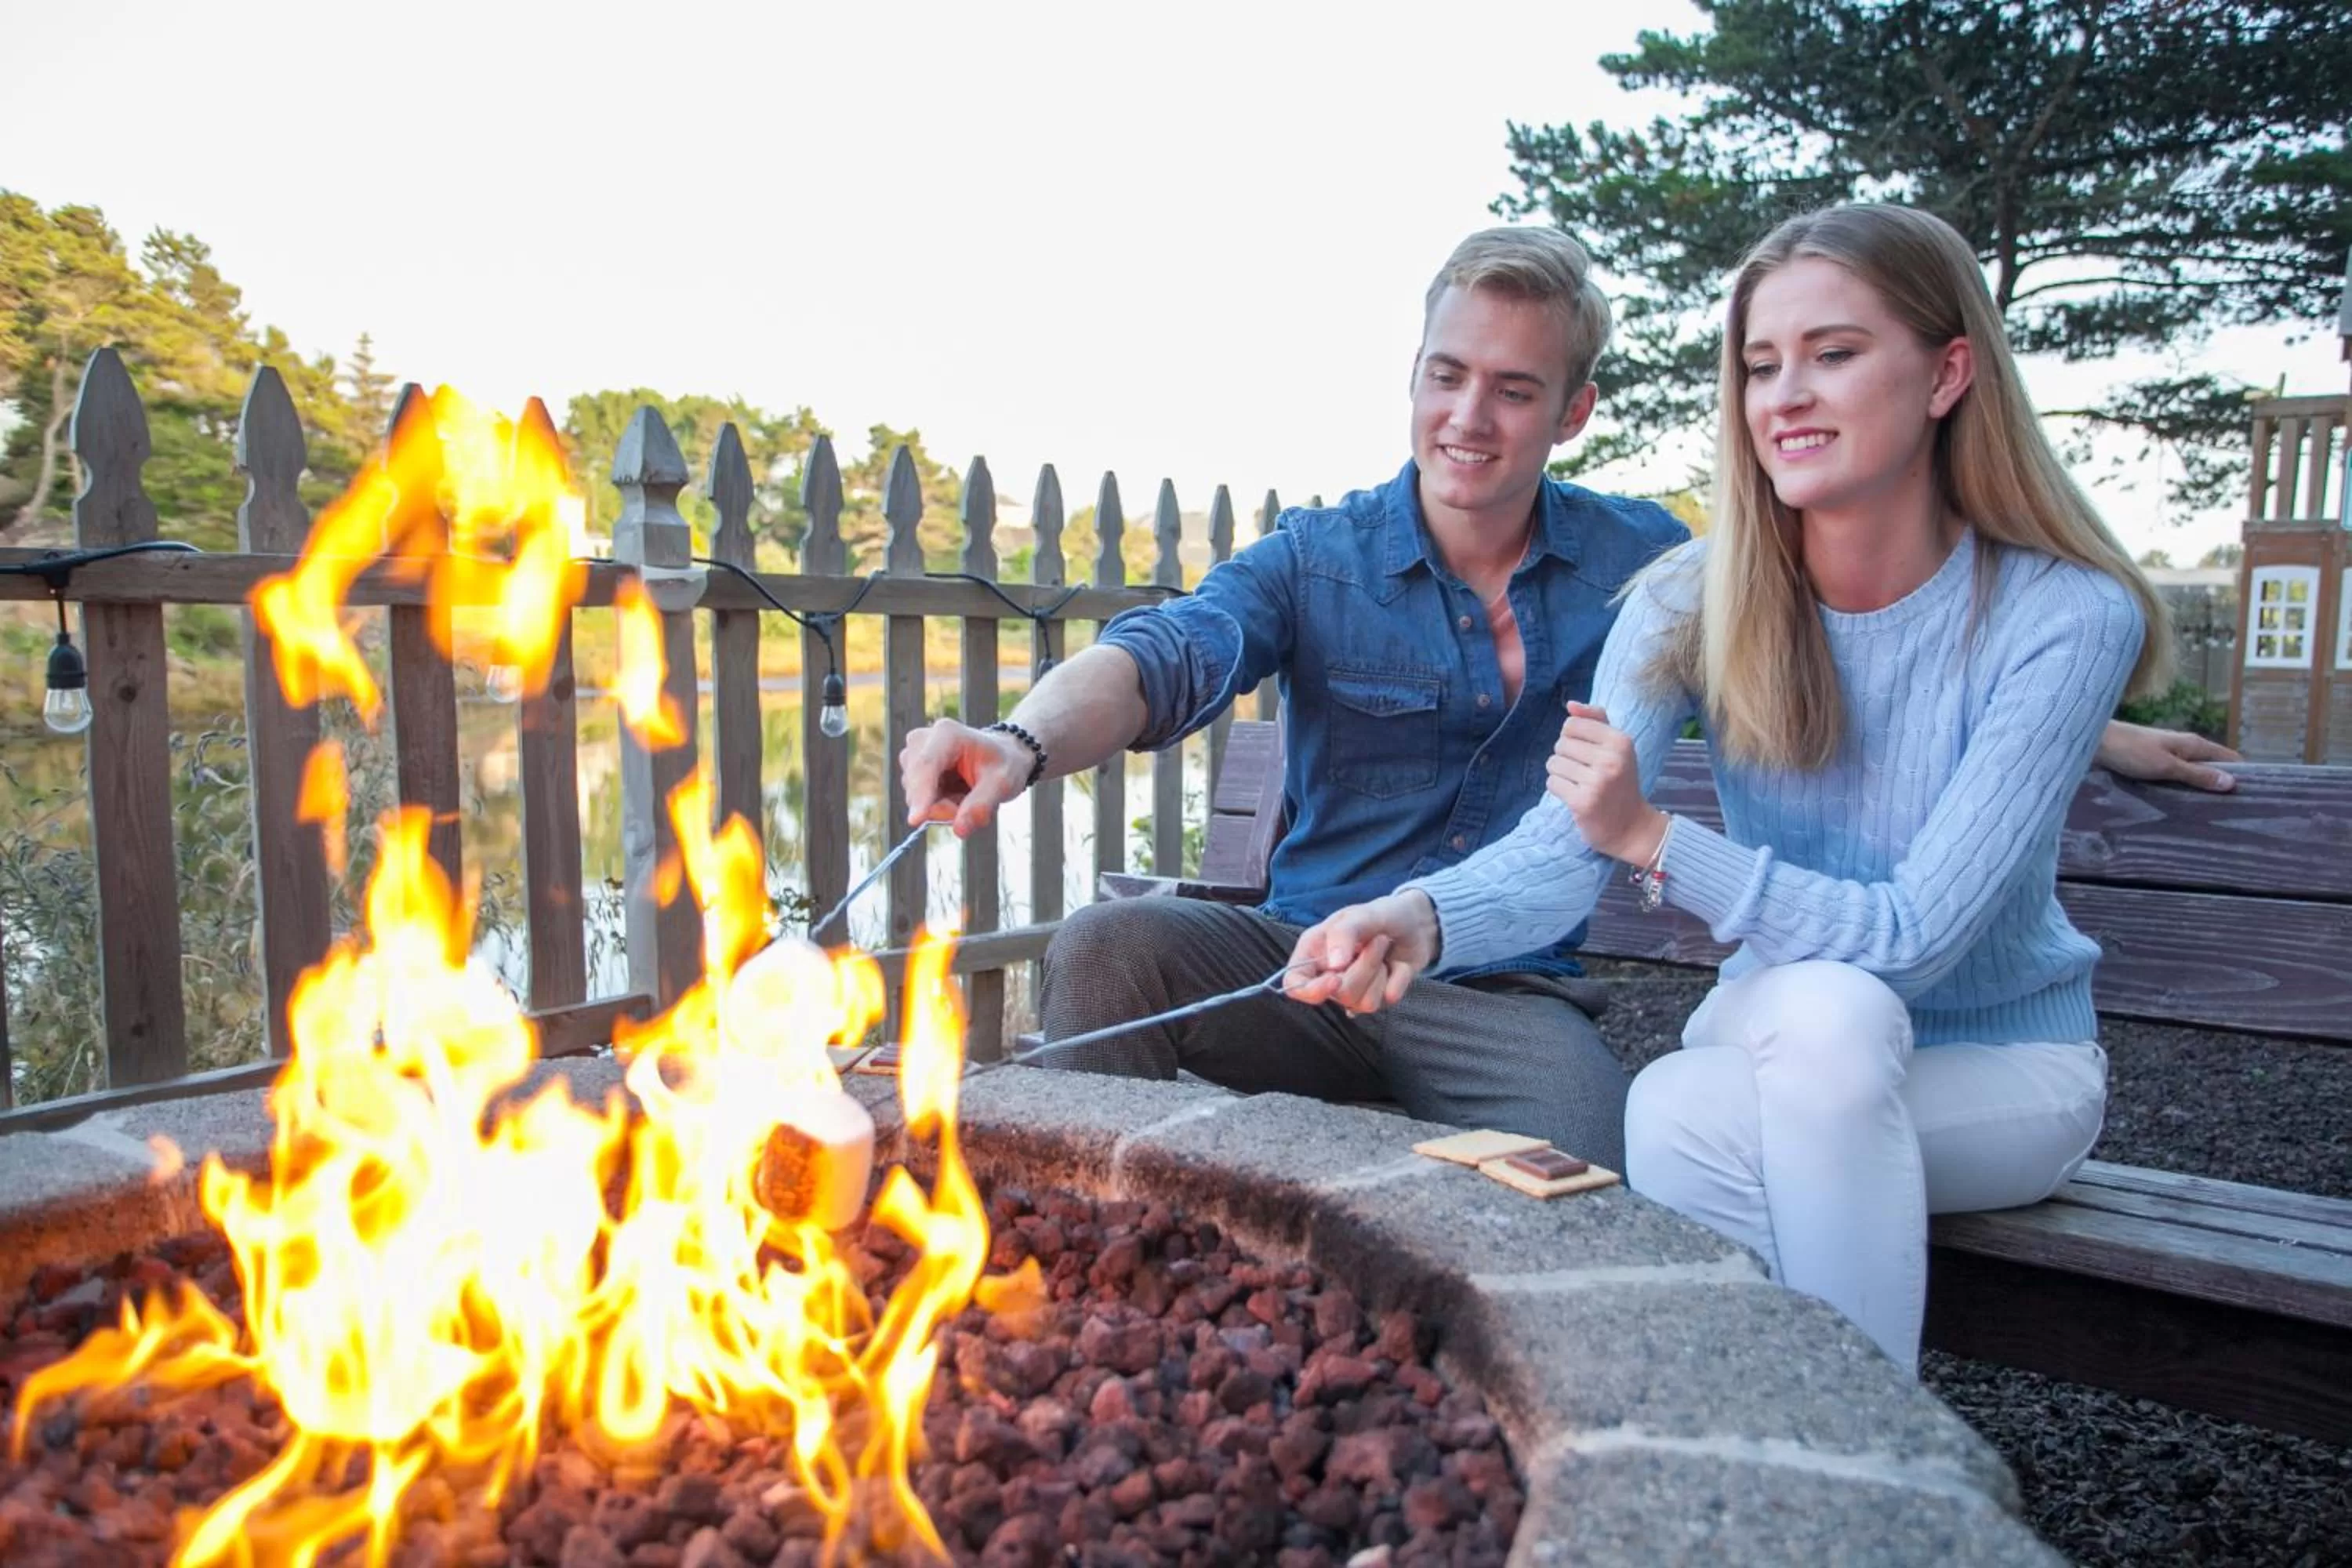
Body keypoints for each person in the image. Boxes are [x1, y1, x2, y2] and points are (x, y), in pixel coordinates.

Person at [899, 223, 2237, 1179]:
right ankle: (1088, 1256)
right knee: (1102, 945)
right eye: (1446, 374)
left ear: (1576, 409)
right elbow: (1160, 658)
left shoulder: (1645, 566)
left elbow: (1832, 663)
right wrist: (1018, 739)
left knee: (1601, 1179)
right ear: (1416, 377)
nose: (1468, 417)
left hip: (1505, 1000)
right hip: (1313, 962)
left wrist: (2078, 728)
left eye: (1514, 388)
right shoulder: (1317, 557)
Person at [1283, 203, 2177, 1373]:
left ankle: (1841, 1470)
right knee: (1769, 1050)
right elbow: (1566, 851)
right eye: (1762, 365)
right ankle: (1822, 1478)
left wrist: (1659, 839)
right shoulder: (1686, 595)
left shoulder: (2064, 614)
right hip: (1780, 1040)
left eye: (1835, 354)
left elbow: (1908, 946)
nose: (1787, 395)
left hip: (2002, 1074)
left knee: (1706, 1092)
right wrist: (1415, 916)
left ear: (1949, 371)